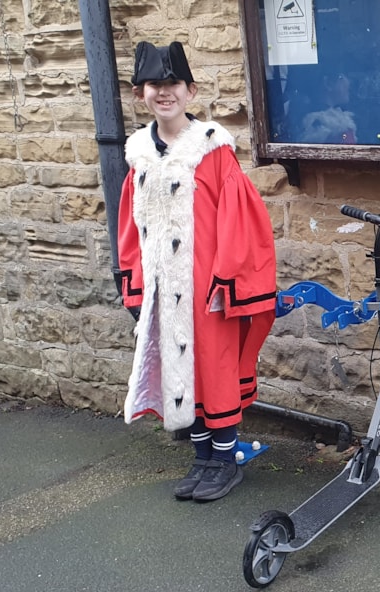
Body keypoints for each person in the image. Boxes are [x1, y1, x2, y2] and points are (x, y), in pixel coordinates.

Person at [115, 41, 278, 502]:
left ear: (191, 91)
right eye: (154, 86)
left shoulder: (213, 152)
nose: (164, 93)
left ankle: (224, 463)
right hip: (164, 290)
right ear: (138, 93)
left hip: (208, 287)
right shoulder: (139, 158)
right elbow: (130, 226)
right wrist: (135, 281)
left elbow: (239, 219)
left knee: (215, 370)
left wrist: (227, 280)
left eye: (173, 85)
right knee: (180, 372)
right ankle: (202, 458)